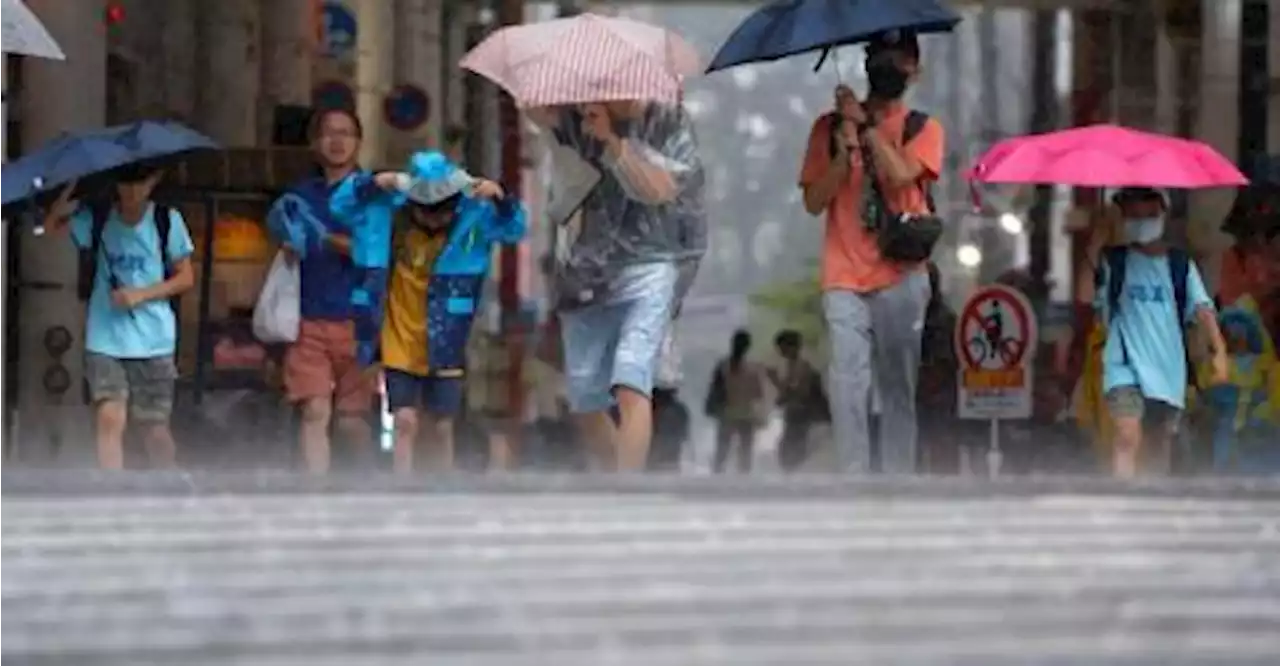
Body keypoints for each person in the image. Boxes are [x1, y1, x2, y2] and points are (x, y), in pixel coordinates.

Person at [528, 99, 706, 472]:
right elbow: (533, 114)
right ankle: (614, 479)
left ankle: (629, 486)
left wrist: (613, 141)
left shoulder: (668, 121)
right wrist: (569, 113)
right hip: (587, 271)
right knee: (585, 396)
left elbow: (663, 189)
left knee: (631, 378)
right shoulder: (576, 114)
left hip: (650, 266)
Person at [798, 29, 944, 474]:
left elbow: (901, 176)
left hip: (902, 275)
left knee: (897, 386)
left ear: (914, 70)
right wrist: (843, 155)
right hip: (843, 276)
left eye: (898, 60)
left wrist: (866, 127)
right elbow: (813, 202)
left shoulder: (923, 128)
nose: (887, 66)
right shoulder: (827, 128)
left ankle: (898, 481)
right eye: (879, 56)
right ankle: (854, 478)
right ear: (865, 62)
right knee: (848, 382)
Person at [333, 151, 526, 474]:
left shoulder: (475, 216)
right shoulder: (384, 211)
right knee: (404, 419)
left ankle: (444, 489)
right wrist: (374, 182)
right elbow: (341, 206)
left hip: (446, 337)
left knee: (441, 424)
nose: (434, 219)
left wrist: (501, 199)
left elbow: (514, 229)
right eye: (425, 210)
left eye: (442, 211)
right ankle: (402, 487)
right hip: (397, 335)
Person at [1069, 187, 1229, 478]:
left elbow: (1202, 308)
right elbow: (1083, 295)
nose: (1141, 221)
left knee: (1159, 442)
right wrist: (1095, 243)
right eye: (1133, 215)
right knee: (1126, 435)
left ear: (1162, 215)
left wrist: (1219, 351)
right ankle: (1124, 497)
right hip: (1123, 366)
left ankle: (1154, 500)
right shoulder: (1113, 262)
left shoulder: (1179, 265)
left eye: (1149, 214)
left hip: (1167, 367)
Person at [43, 165, 196, 470]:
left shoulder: (166, 221)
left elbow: (186, 277)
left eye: (139, 181)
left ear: (153, 181)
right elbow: (50, 229)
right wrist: (60, 204)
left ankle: (168, 482)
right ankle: (112, 493)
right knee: (109, 417)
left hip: (153, 340)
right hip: (106, 337)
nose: (131, 190)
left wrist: (142, 294)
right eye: (124, 182)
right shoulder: (99, 218)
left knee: (154, 428)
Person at [269, 107, 376, 474]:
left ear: (359, 143)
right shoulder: (301, 195)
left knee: (351, 422)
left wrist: (329, 239)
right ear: (315, 144)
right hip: (308, 319)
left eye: (346, 133)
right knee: (314, 410)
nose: (337, 141)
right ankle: (318, 492)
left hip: (359, 321)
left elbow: (375, 251)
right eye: (329, 133)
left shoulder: (372, 196)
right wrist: (289, 243)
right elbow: (284, 240)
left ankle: (365, 485)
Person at [706, 330, 768, 474]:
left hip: (727, 413)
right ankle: (742, 475)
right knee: (745, 449)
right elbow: (758, 394)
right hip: (745, 414)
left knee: (723, 448)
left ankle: (719, 473)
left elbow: (715, 390)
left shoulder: (723, 366)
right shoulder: (753, 368)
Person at [768, 330, 827, 472]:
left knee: (792, 453)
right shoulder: (790, 366)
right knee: (787, 453)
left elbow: (800, 393)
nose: (780, 351)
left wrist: (775, 381)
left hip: (803, 417)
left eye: (783, 347)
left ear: (793, 347)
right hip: (795, 417)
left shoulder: (803, 367)